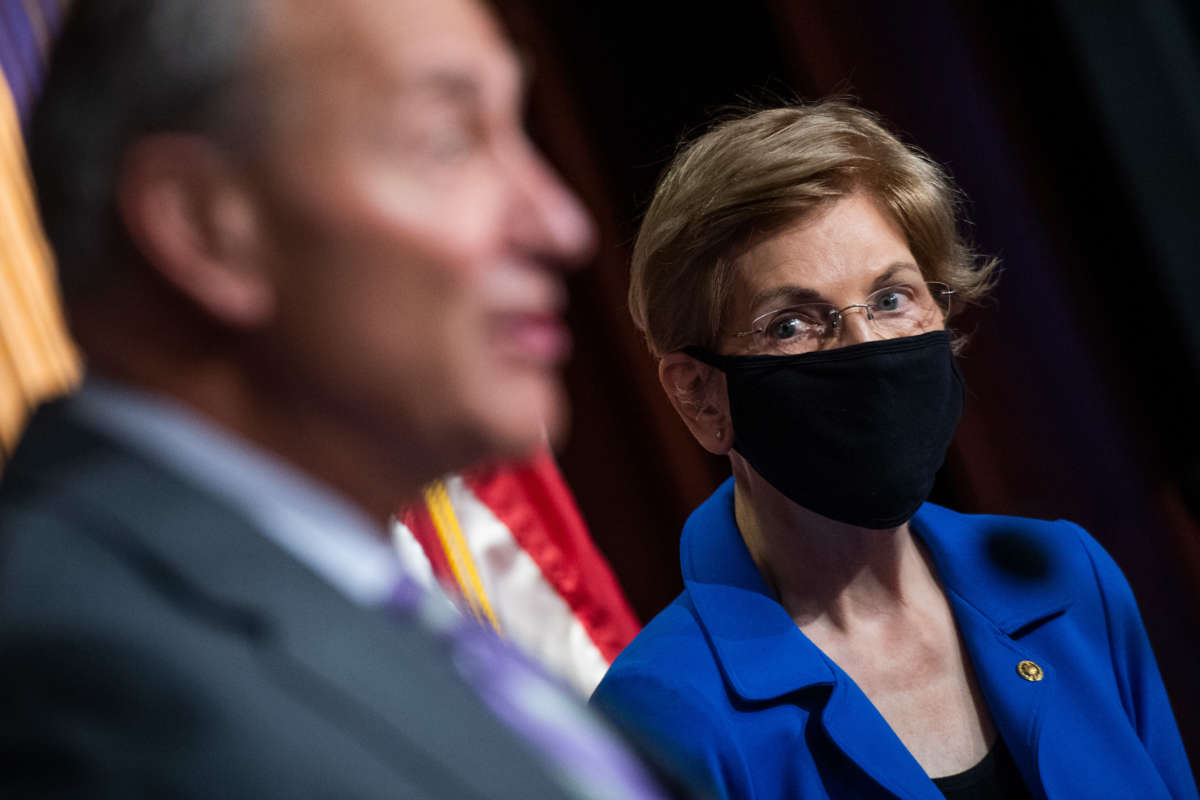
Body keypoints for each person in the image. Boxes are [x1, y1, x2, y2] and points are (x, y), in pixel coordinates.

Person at [0, 1, 676, 797]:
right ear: (207, 224)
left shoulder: (381, 595)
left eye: (516, 129)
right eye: (451, 141)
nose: (562, 226)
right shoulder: (65, 668)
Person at [590, 100, 1198, 800]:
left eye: (890, 299)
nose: (868, 350)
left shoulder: (1065, 580)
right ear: (701, 395)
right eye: (792, 324)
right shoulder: (661, 717)